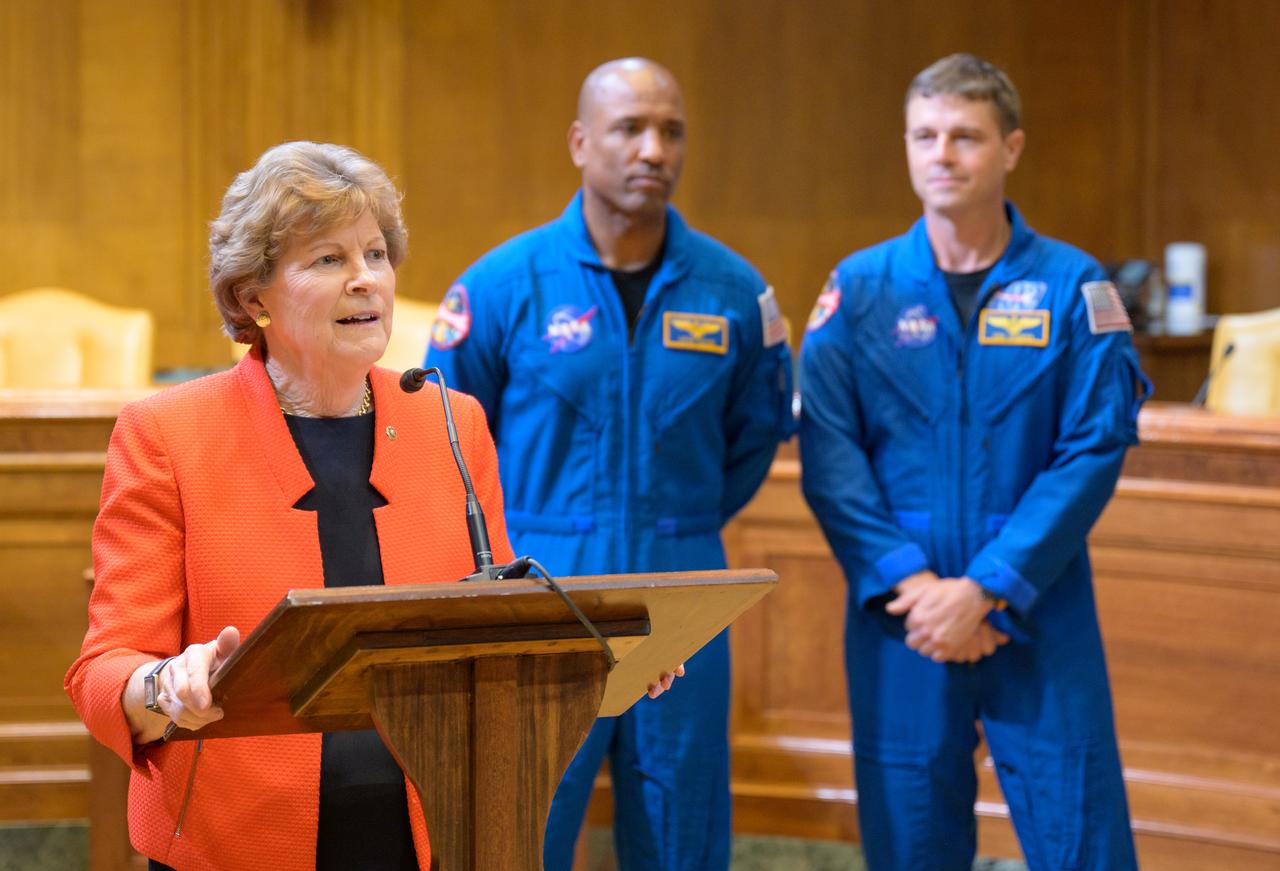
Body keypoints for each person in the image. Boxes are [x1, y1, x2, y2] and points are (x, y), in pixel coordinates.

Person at [64, 141, 680, 871]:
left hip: (437, 827)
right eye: (328, 260)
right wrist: (164, 685)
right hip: (237, 838)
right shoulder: (167, 434)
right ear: (252, 297)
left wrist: (598, 657)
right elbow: (104, 668)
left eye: (377, 254)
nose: (366, 280)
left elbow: (495, 628)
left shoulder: (453, 423)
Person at [427, 58, 795, 871]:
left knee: (681, 830)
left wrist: (677, 518)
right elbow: (449, 440)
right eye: (630, 128)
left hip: (684, 586)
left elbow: (754, 434)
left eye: (671, 130)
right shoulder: (501, 285)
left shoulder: (735, 293)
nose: (653, 149)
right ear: (580, 141)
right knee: (523, 824)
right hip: (542, 585)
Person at [799, 54, 1148, 871]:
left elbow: (1093, 447)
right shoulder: (860, 287)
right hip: (902, 616)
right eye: (925, 135)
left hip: (1038, 604)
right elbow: (828, 450)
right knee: (910, 841)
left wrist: (990, 584)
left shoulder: (1073, 287)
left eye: (966, 136)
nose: (942, 154)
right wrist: (915, 588)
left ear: (1012, 148)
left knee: (1082, 839)